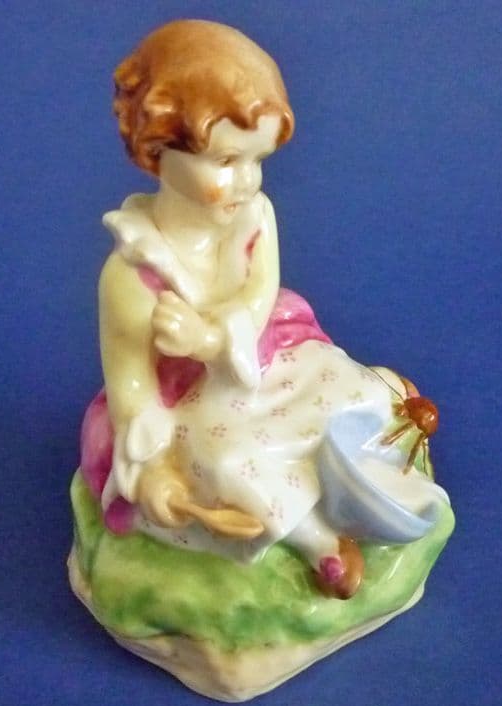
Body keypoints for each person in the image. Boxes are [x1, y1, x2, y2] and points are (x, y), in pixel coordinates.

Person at [81, 20, 416, 598]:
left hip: (260, 357)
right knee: (228, 464)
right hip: (188, 408)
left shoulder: (255, 215)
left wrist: (213, 341)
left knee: (332, 380)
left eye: (257, 159)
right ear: (158, 150)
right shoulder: (132, 275)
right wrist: (154, 472)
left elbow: (261, 296)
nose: (246, 181)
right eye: (227, 160)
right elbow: (131, 387)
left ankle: (376, 407)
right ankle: (317, 540)